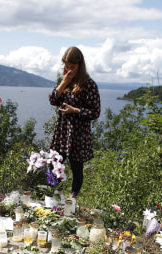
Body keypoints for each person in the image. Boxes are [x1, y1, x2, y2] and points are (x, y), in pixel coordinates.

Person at [49, 47, 101, 199]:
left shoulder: (89, 85)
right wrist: (63, 82)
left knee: (77, 168)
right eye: (66, 66)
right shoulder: (66, 81)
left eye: (73, 67)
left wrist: (76, 111)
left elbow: (95, 112)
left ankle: (72, 200)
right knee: (53, 164)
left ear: (80, 65)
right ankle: (57, 195)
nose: (69, 70)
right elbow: (53, 100)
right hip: (62, 130)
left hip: (78, 133)